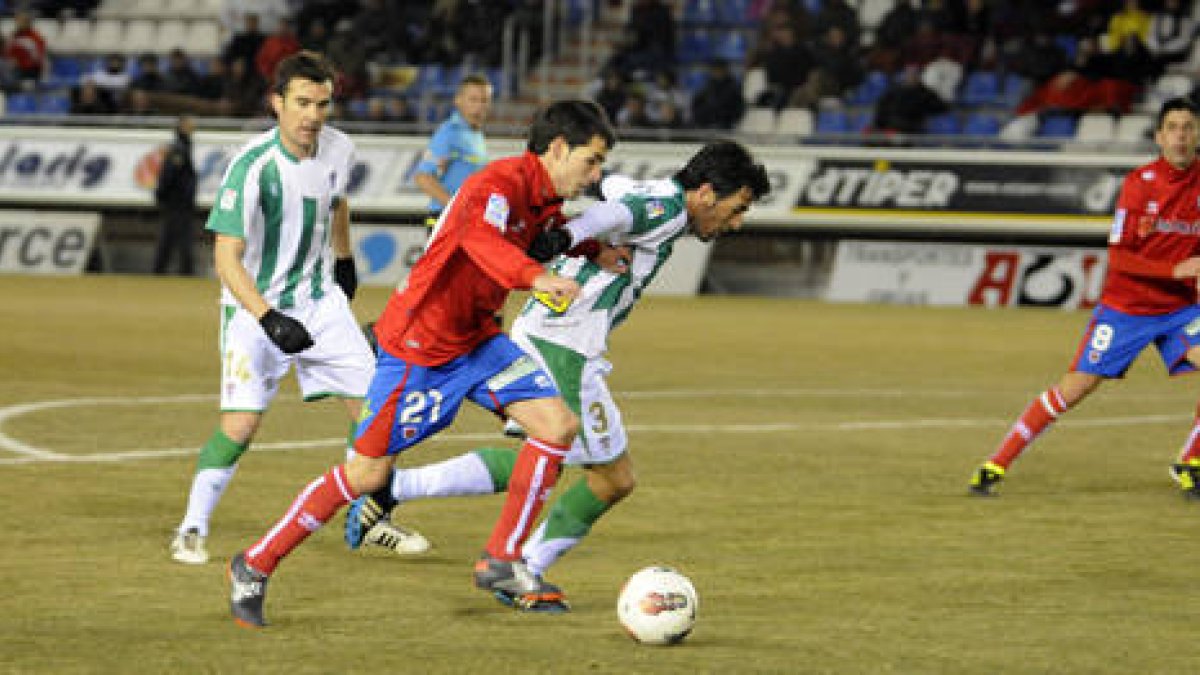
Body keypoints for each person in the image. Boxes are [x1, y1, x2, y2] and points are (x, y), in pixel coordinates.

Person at [226, 99, 618, 628]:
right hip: (420, 352)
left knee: (557, 426)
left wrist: (593, 250)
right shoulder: (494, 186)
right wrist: (536, 278)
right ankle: (255, 563)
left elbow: (548, 230)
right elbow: (482, 242)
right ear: (558, 148)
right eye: (591, 161)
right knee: (366, 473)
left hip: (478, 343)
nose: (595, 176)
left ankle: (502, 559)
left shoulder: (541, 196)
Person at [345, 140, 772, 612]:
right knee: (600, 472)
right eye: (737, 208)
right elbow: (614, 213)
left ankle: (398, 493)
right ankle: (516, 563)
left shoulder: (657, 193)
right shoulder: (664, 210)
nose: (736, 222)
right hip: (563, 346)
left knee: (578, 466)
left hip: (560, 338)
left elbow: (615, 188)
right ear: (706, 193)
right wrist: (568, 236)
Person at [169, 52, 373, 565]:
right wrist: (268, 318)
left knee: (375, 412)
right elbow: (225, 257)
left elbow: (337, 201)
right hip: (254, 308)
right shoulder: (251, 166)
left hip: (320, 301)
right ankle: (191, 527)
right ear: (277, 103)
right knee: (240, 426)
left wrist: (344, 258)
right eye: (302, 103)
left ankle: (366, 516)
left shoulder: (340, 148)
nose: (313, 115)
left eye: (322, 104)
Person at [969, 97, 1200, 499]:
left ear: (1197, 135)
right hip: (1127, 308)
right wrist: (1174, 270)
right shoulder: (1139, 184)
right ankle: (996, 463)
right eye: (1173, 128)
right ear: (1160, 137)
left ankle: (1191, 461)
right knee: (1076, 387)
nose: (1181, 135)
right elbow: (1119, 257)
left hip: (1180, 309)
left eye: (1188, 127)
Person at [412, 74, 493, 229]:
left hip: (466, 221)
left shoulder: (476, 134)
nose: (480, 106)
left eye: (485, 100)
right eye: (473, 99)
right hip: (445, 220)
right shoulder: (449, 132)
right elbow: (422, 177)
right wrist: (457, 209)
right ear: (458, 100)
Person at [152, 115, 198, 276]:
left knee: (170, 237)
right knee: (181, 238)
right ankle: (185, 271)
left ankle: (161, 269)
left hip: (177, 200)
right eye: (189, 125)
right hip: (178, 201)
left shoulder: (182, 146)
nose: (193, 128)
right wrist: (163, 193)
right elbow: (170, 174)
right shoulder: (180, 149)